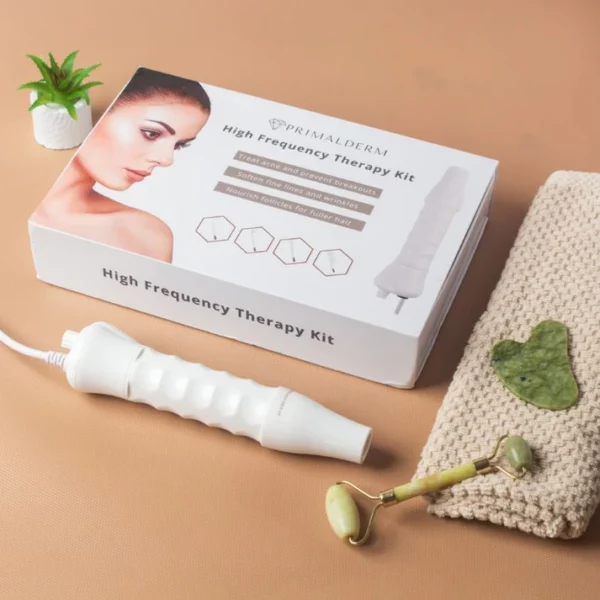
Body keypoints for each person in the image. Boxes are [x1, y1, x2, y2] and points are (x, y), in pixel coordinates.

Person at [31, 68, 211, 263]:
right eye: (151, 133)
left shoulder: (145, 235)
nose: (167, 160)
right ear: (101, 115)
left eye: (179, 145)